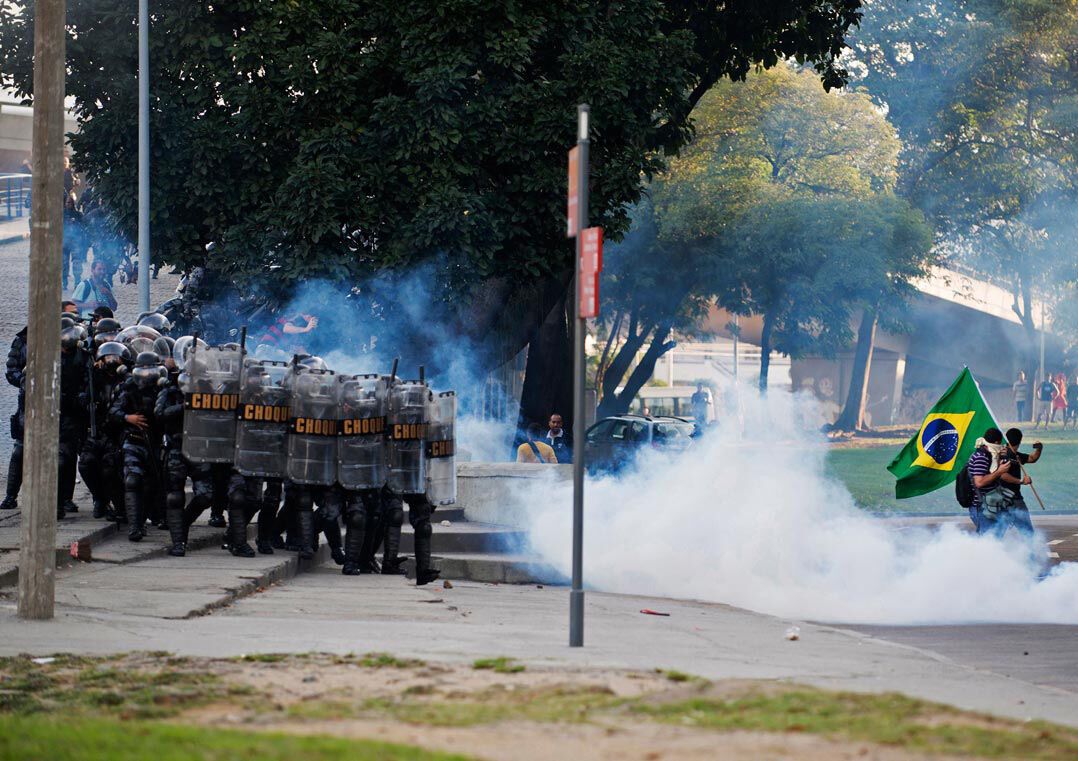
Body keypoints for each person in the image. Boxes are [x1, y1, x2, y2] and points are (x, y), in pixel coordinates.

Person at [965, 427, 1028, 534]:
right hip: (982, 507)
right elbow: (979, 482)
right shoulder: (981, 457)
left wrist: (1000, 457)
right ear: (996, 442)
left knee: (995, 538)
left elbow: (992, 473)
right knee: (988, 541)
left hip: (991, 505)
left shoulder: (991, 456)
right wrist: (1000, 471)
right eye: (1000, 444)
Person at [994, 428, 1042, 537]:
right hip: (1011, 499)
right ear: (1020, 441)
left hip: (1003, 499)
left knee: (998, 533)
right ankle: (1031, 553)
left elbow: (1032, 458)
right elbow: (1002, 475)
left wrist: (1039, 449)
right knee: (1028, 533)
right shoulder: (1004, 454)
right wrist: (1021, 481)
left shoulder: (1015, 455)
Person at [1, 326, 27, 510]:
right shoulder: (23, 340)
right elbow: (12, 371)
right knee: (20, 450)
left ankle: (64, 499)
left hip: (65, 403)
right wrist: (26, 381)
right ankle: (11, 495)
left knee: (65, 453)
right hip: (29, 401)